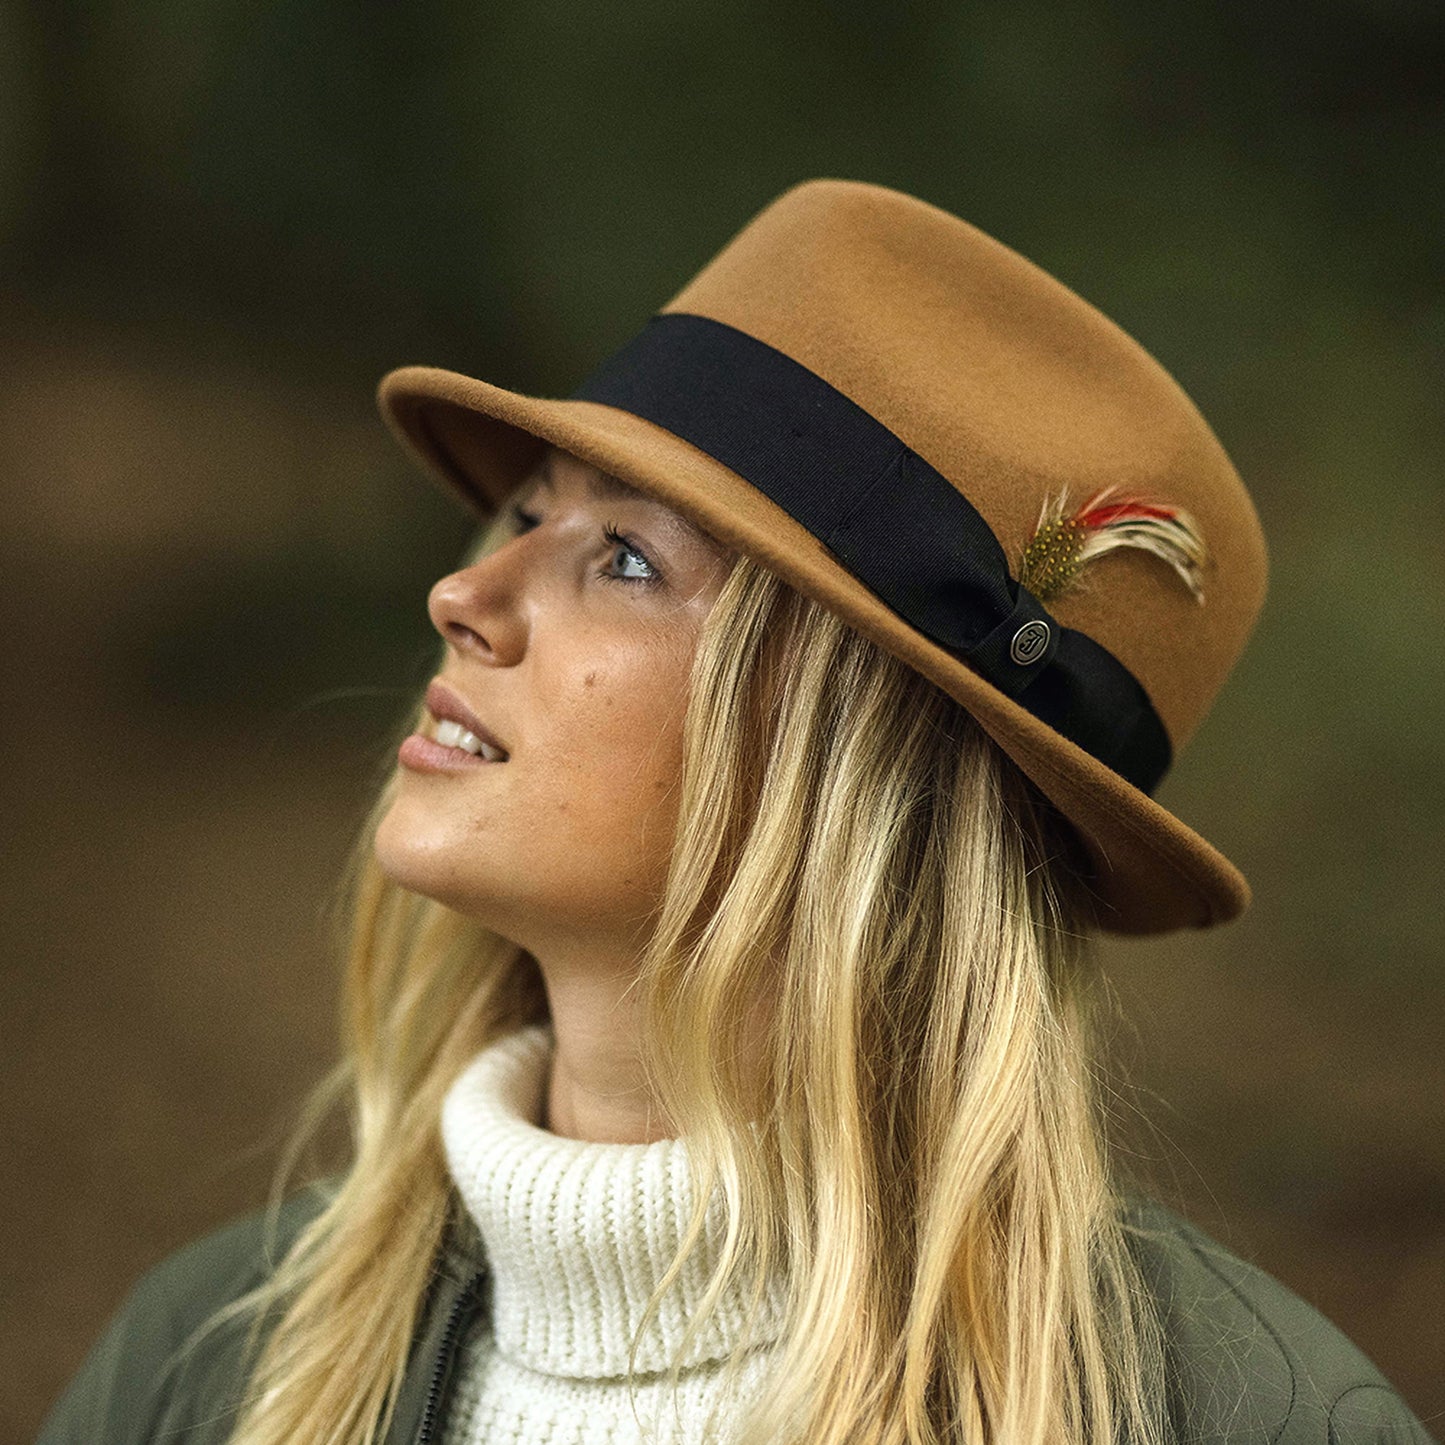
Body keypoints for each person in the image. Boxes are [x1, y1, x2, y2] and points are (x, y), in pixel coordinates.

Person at [37, 180, 1436, 1445]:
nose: (464, 595)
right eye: (525, 513)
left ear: (859, 768)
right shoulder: (207, 1365)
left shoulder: (1240, 1420)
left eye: (626, 558)